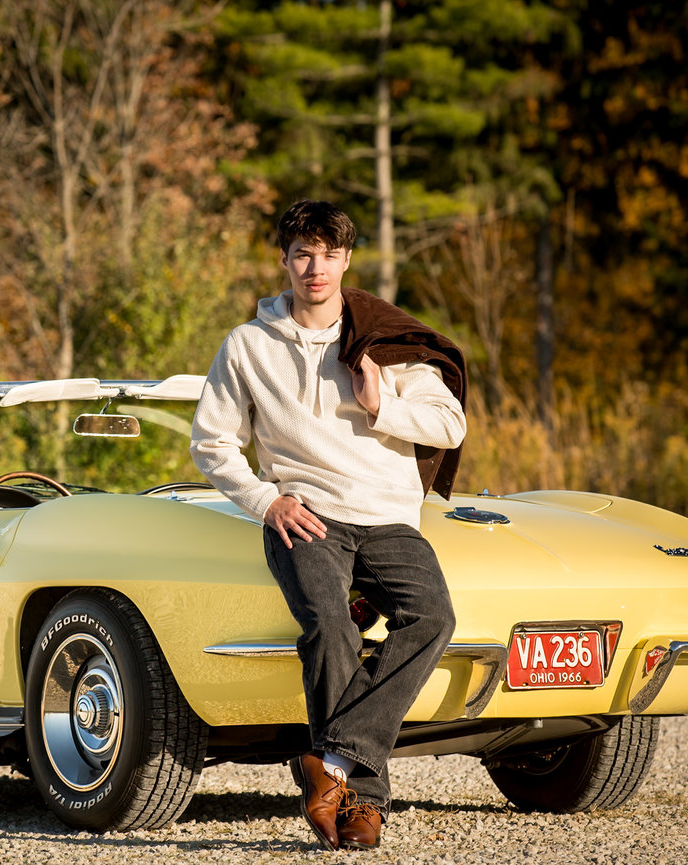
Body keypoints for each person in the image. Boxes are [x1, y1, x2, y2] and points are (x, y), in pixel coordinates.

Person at [190, 200, 467, 851]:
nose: (315, 267)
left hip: (386, 514)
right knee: (330, 626)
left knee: (432, 618)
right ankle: (362, 804)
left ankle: (332, 766)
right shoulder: (248, 346)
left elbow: (450, 424)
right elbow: (211, 444)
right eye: (302, 253)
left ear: (346, 259)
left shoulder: (381, 338)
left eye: (328, 253)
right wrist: (265, 501)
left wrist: (383, 402)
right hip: (306, 514)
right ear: (284, 260)